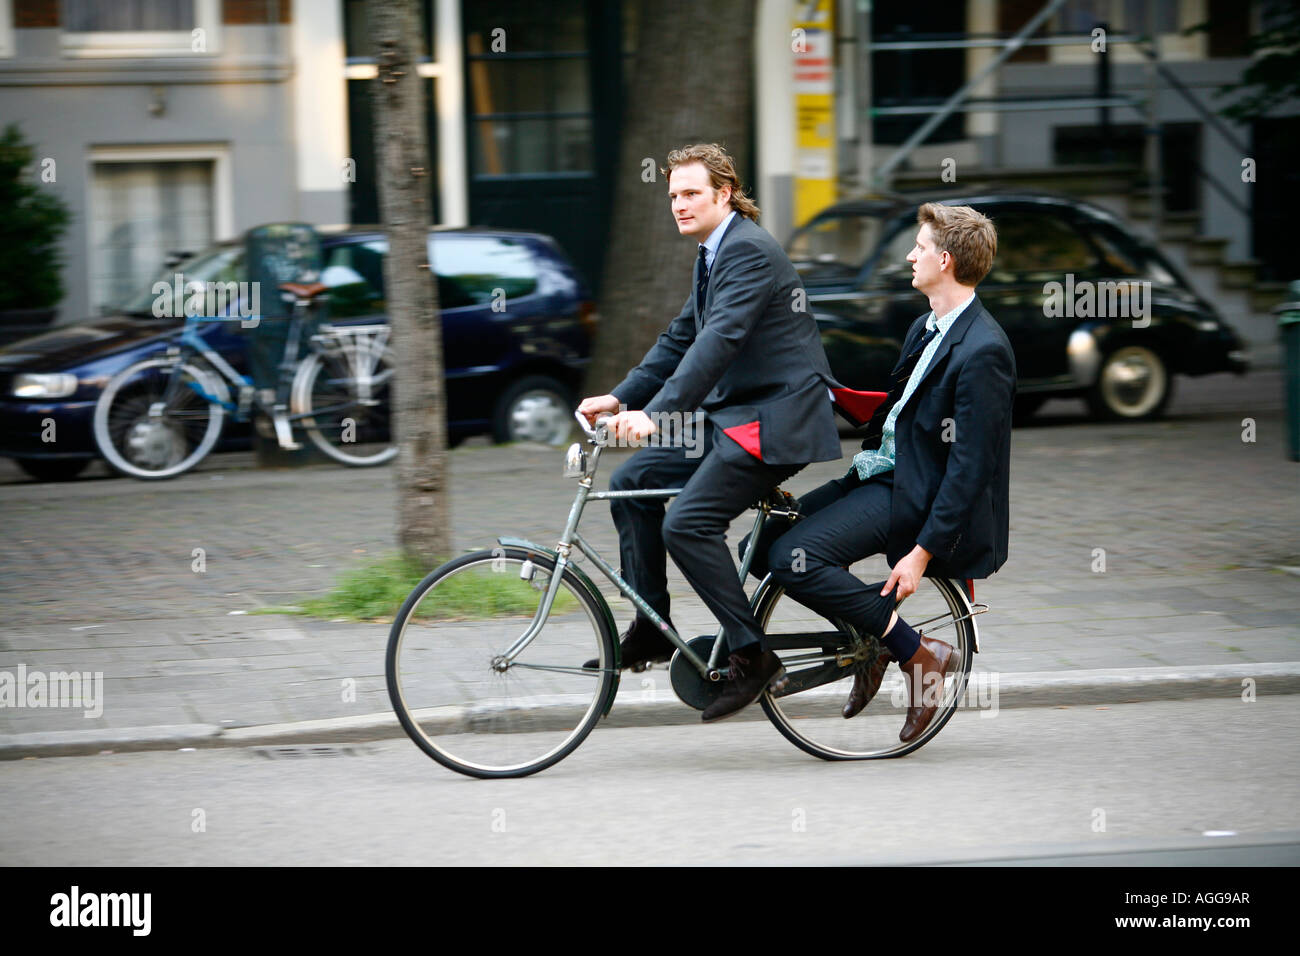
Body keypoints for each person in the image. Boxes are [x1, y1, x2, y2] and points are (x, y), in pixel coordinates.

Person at [578, 143, 841, 723]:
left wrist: (655, 415)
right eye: (673, 195)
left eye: (692, 192)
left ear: (724, 193)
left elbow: (716, 344)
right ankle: (652, 628)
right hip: (735, 419)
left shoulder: (747, 251)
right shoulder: (710, 254)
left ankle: (752, 656)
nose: (679, 204)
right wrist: (622, 397)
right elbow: (679, 339)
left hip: (776, 421)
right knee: (631, 485)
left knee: (688, 522)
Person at [744, 202, 1014, 743]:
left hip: (914, 491)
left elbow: (971, 466)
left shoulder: (984, 350)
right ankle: (874, 635)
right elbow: (897, 411)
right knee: (769, 538)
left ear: (946, 259)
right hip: (879, 471)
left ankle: (918, 654)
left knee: (792, 561)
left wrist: (922, 554)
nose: (910, 256)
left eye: (918, 247)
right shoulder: (927, 326)